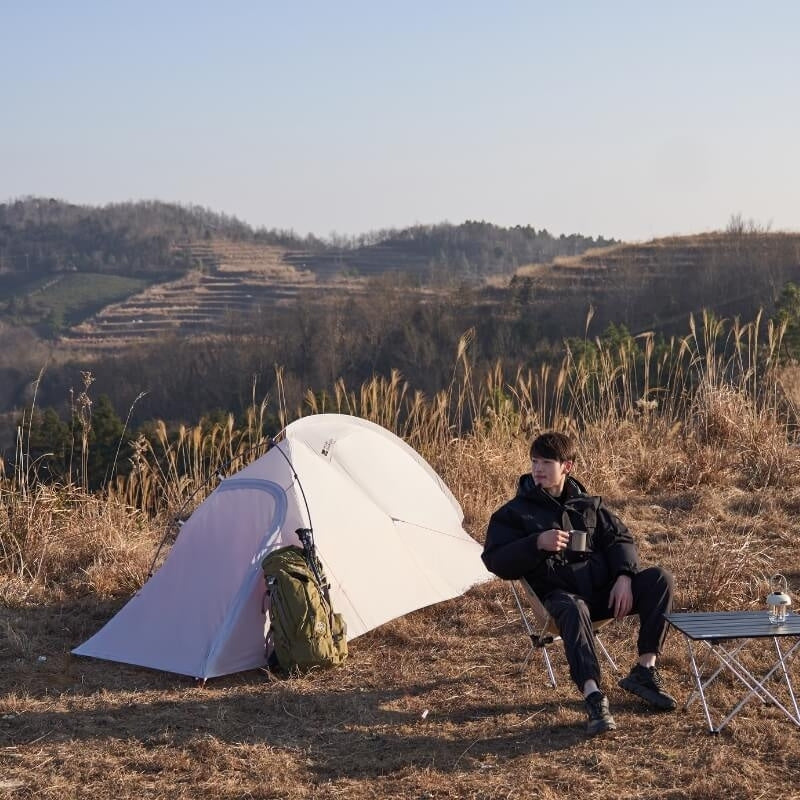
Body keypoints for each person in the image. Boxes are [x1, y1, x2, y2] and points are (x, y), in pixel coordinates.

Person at [482, 431, 676, 735]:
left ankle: (645, 670)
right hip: (559, 600)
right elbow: (495, 560)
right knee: (574, 607)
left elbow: (620, 539)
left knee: (659, 579)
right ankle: (593, 696)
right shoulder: (515, 513)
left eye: (546, 462)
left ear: (567, 466)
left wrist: (624, 576)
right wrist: (537, 543)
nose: (538, 469)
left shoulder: (588, 505)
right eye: (534, 461)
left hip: (601, 594)